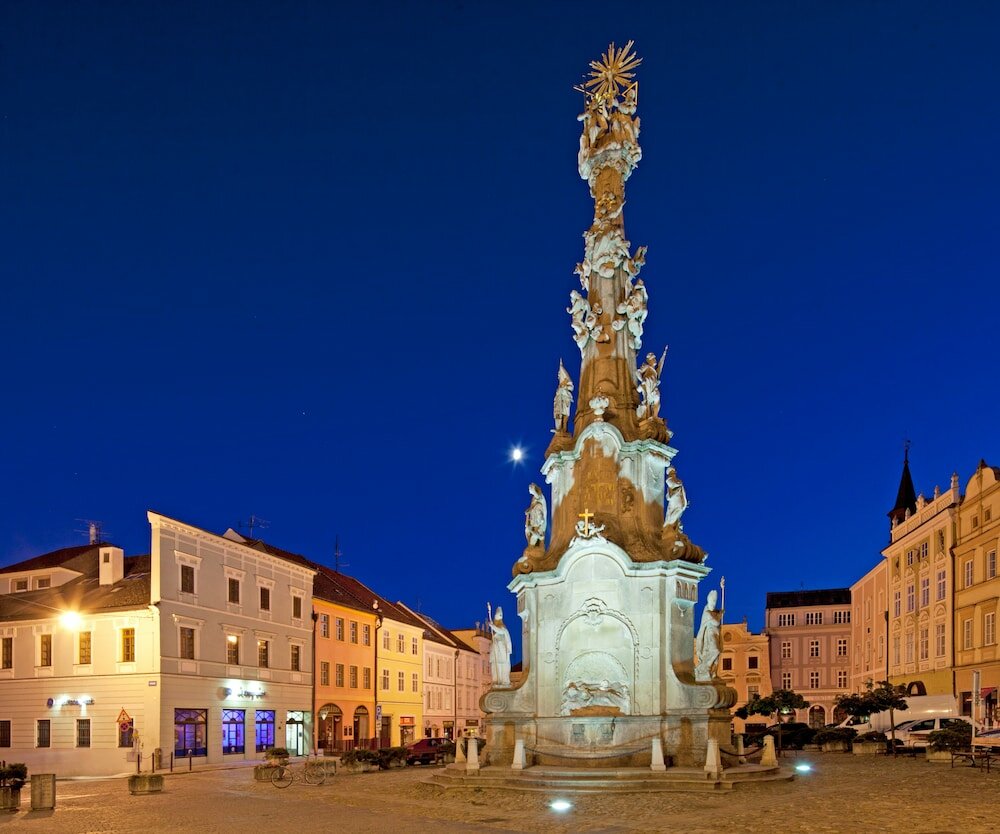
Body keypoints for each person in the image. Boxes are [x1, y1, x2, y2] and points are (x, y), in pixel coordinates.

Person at [695, 589, 722, 682]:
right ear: (709, 601)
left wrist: (719, 613)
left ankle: (713, 673)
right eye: (713, 601)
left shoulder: (715, 612)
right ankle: (704, 668)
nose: (714, 603)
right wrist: (720, 615)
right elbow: (716, 622)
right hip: (710, 637)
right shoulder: (707, 613)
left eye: (715, 601)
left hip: (716, 635)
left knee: (717, 660)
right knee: (716, 650)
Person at [488, 606, 512, 687]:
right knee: (495, 666)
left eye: (496, 621)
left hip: (501, 652)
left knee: (502, 666)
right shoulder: (495, 631)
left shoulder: (503, 628)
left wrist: (492, 626)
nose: (496, 622)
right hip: (495, 652)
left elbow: (501, 631)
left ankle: (503, 681)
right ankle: (496, 681)